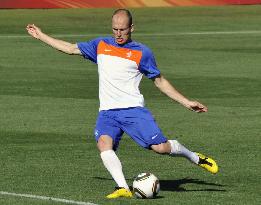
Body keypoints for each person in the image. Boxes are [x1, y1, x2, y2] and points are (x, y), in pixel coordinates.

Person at [26, 8, 218, 199]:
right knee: (103, 144)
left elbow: (159, 81)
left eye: (122, 29)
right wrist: (41, 36)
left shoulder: (142, 52)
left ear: (132, 28)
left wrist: (186, 102)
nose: (118, 33)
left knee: (161, 148)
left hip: (133, 110)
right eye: (115, 29)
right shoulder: (100, 45)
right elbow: (70, 48)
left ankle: (194, 157)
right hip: (107, 112)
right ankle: (123, 188)